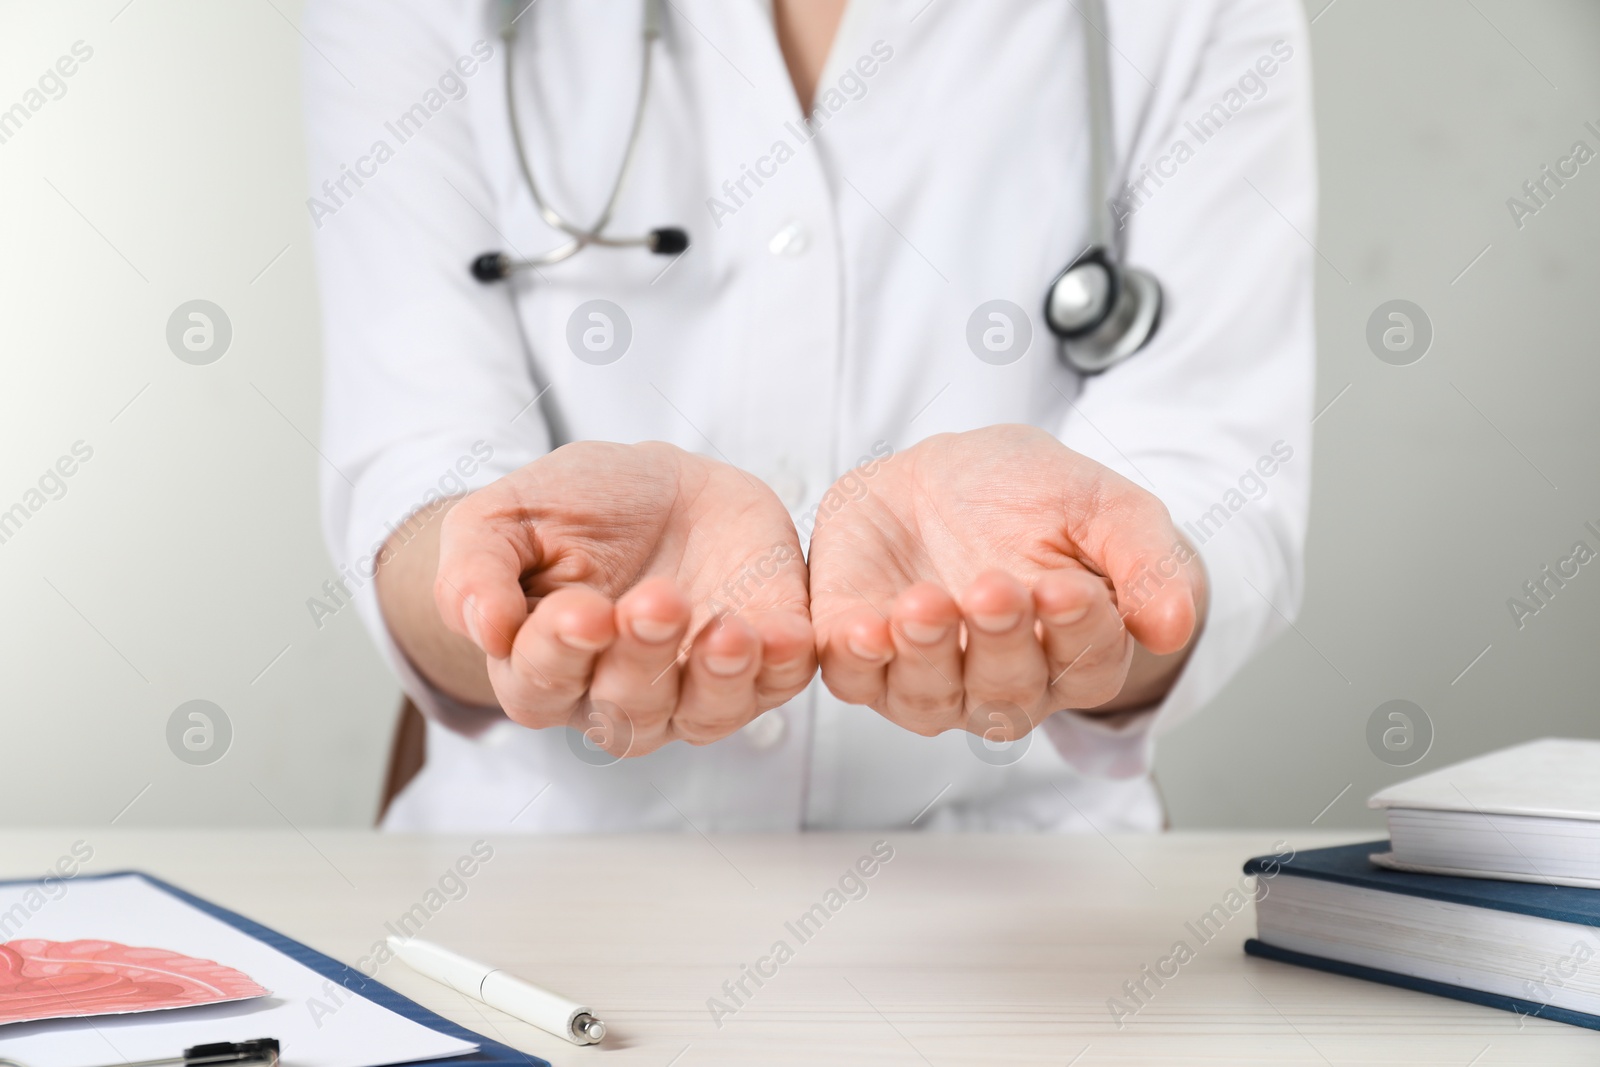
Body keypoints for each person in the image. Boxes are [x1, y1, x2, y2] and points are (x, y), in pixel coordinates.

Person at [303, 0, 1314, 832]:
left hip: (1021, 913)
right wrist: (503, 580)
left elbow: (1212, 476)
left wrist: (1088, 599)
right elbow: (417, 462)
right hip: (530, 899)